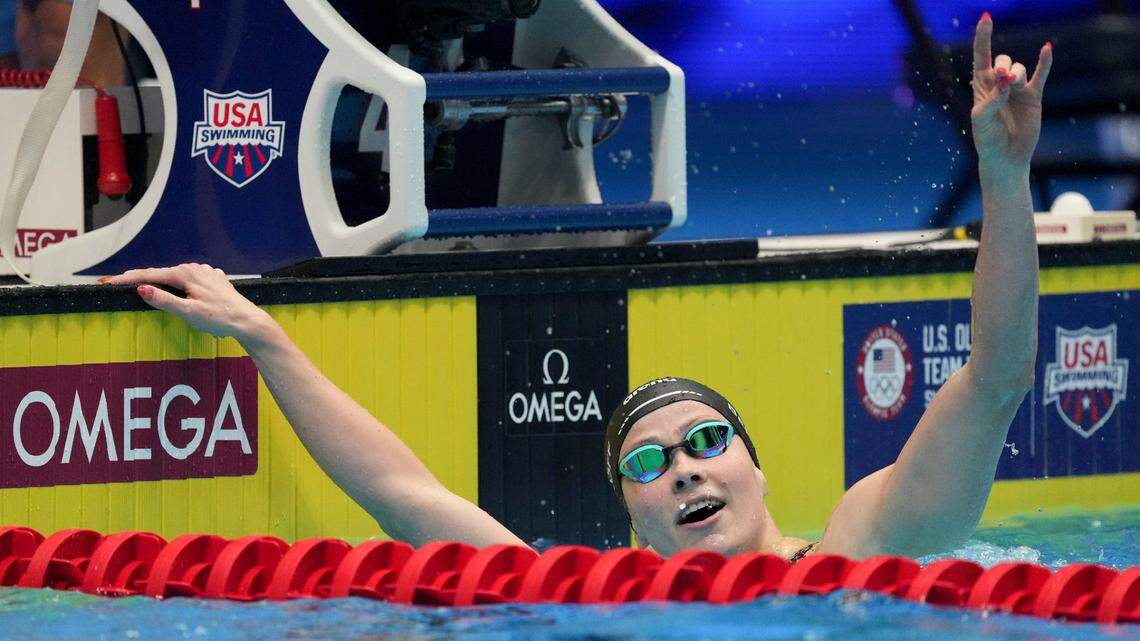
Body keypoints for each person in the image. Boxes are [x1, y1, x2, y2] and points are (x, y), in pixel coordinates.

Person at [101, 15, 1052, 562]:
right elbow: (402, 493)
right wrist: (266, 338)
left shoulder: (860, 547)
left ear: (756, 467)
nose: (683, 469)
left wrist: (1005, 184)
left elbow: (997, 377)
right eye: (649, 465)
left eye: (707, 443)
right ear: (630, 525)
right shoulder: (584, 590)